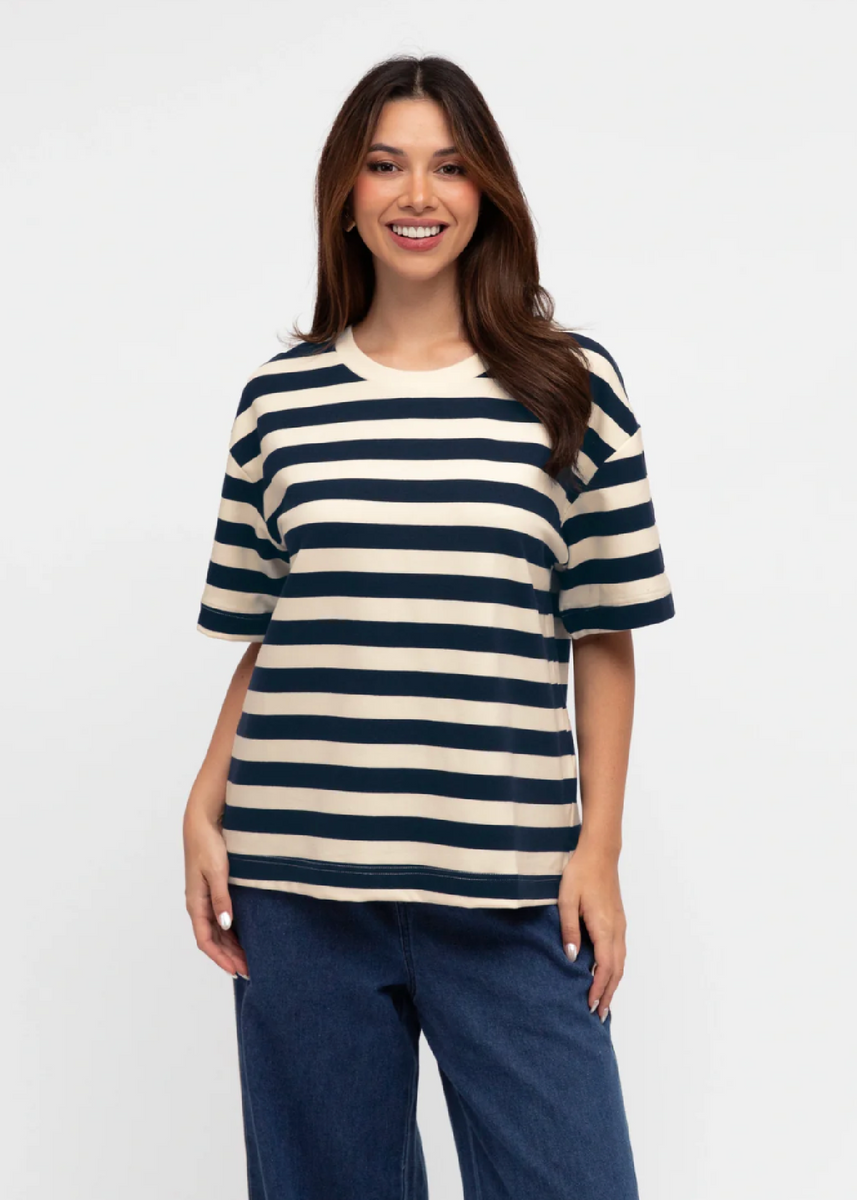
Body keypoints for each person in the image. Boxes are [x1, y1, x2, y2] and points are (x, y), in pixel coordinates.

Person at [183, 53, 675, 1200]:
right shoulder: (280, 400)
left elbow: (604, 635)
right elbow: (276, 630)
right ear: (345, 196)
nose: (417, 195)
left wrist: (597, 852)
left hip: (509, 888)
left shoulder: (569, 390)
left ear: (485, 190)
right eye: (386, 165)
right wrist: (204, 801)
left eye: (449, 167)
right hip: (298, 886)